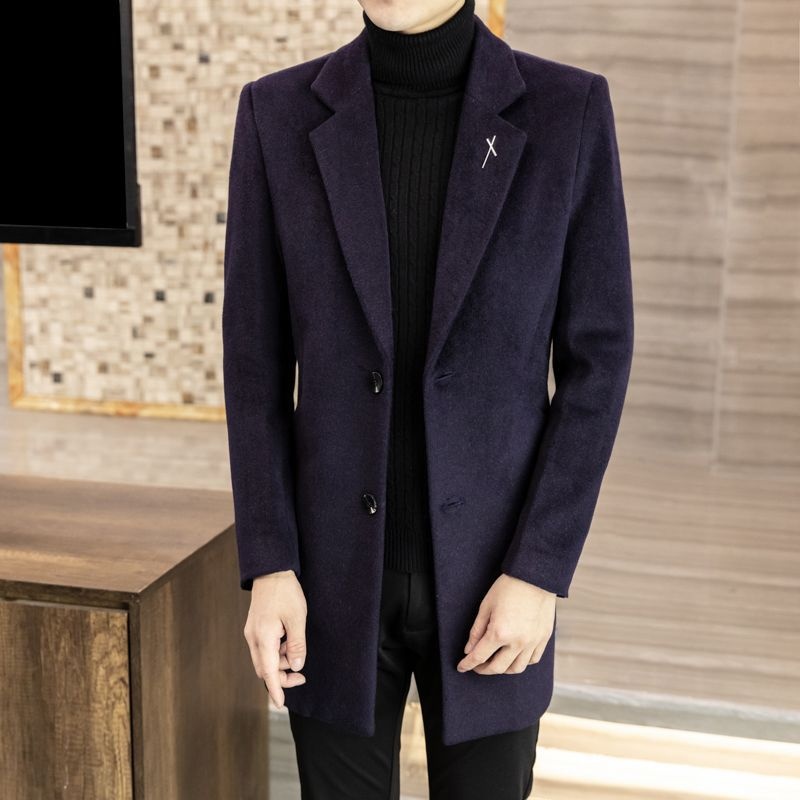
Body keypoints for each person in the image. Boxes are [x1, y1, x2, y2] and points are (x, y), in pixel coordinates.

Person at [222, 0, 634, 798]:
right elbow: (254, 368)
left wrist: (539, 571)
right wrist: (270, 563)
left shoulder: (568, 111)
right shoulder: (277, 112)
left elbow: (599, 362)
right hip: (328, 586)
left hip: (497, 584)